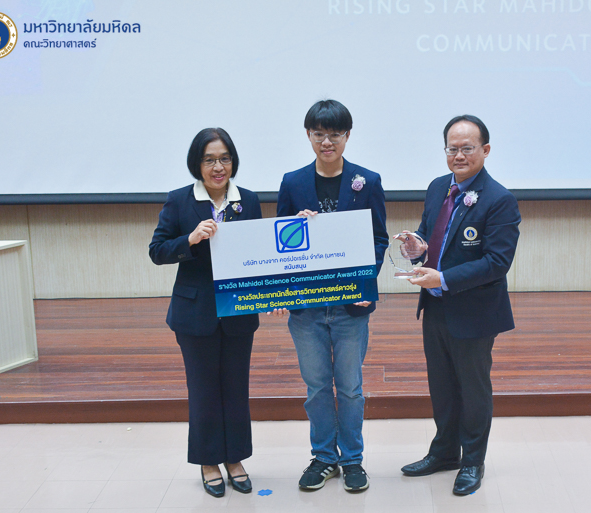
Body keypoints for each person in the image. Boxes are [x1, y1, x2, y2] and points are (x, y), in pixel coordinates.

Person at [399, 115, 520, 495]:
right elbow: (431, 234)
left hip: (474, 312)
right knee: (442, 386)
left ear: (485, 150)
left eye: (467, 148)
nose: (459, 156)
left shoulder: (499, 200)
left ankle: (472, 462)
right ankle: (444, 452)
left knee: (472, 389)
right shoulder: (439, 187)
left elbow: (497, 262)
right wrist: (417, 246)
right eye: (452, 149)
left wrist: (444, 278)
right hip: (435, 306)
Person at [274, 99, 388, 493]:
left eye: (335, 134)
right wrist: (296, 229)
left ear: (347, 136)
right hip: (307, 307)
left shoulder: (367, 181)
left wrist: (365, 283)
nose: (327, 142)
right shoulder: (292, 182)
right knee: (318, 387)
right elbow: (282, 245)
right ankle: (324, 457)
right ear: (308, 135)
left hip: (350, 306)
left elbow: (378, 239)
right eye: (319, 134)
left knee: (351, 387)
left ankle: (352, 459)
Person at [149, 128, 262, 498]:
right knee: (203, 390)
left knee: (235, 388)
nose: (218, 167)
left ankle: (235, 458)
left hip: (238, 310)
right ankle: (208, 461)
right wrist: (191, 239)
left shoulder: (248, 201)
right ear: (197, 164)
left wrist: (271, 294)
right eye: (210, 159)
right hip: (195, 311)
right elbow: (157, 250)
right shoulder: (180, 200)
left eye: (224, 158)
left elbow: (259, 255)